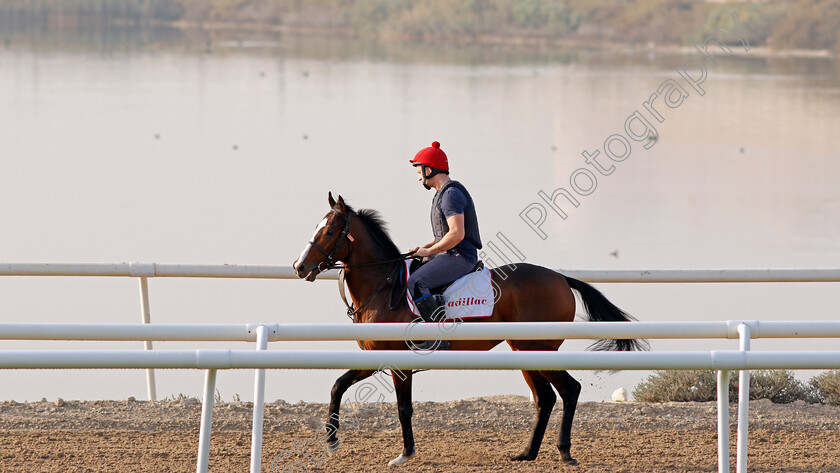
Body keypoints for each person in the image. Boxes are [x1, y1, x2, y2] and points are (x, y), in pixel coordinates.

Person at [407, 141, 482, 349]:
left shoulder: (450, 195)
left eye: (419, 170)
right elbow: (443, 235)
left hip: (460, 257)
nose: (419, 176)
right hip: (449, 253)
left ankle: (437, 337)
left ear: (429, 169)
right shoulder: (442, 194)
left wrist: (430, 251)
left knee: (416, 282)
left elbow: (457, 234)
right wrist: (423, 249)